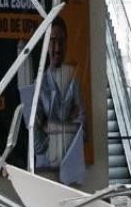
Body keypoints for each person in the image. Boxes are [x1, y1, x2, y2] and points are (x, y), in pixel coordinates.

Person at [22, 20, 85, 183]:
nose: (57, 48)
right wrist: (68, 124)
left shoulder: (74, 84)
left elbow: (83, 133)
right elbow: (37, 144)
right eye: (52, 41)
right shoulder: (37, 86)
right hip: (45, 172)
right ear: (46, 45)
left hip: (71, 171)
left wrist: (49, 125)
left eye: (61, 42)